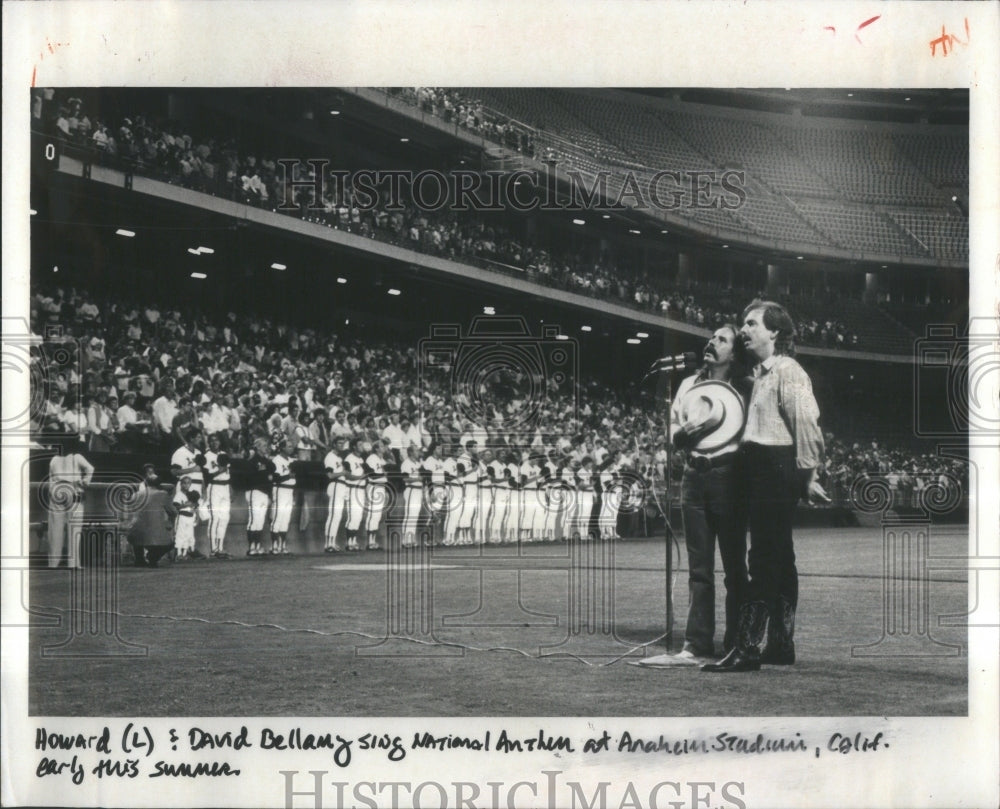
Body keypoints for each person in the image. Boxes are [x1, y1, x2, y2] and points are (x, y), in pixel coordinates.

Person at [704, 301, 827, 673]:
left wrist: (807, 474)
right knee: (782, 557)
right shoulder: (762, 373)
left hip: (774, 468)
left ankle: (748, 648)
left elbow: (806, 424)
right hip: (762, 465)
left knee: (762, 558)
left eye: (752, 323)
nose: (744, 329)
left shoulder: (788, 371)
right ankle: (779, 644)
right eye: (744, 323)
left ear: (774, 332)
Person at [669, 325, 752, 664]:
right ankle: (697, 643)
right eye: (711, 337)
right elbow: (673, 427)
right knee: (699, 568)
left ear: (734, 353)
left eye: (721, 340)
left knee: (735, 567)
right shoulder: (689, 385)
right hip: (694, 475)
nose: (711, 342)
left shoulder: (746, 388)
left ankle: (737, 643)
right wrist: (683, 434)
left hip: (729, 476)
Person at [46, 440, 94, 569]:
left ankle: (53, 564)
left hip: (56, 490)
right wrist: (85, 482)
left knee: (55, 528)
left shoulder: (54, 459)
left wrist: (52, 491)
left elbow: (50, 478)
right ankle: (73, 563)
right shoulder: (77, 457)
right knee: (75, 527)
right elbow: (90, 468)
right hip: (73, 489)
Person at [126, 464, 177, 568]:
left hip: (134, 532)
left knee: (139, 530)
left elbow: (129, 507)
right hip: (153, 533)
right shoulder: (162, 494)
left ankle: (139, 559)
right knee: (170, 543)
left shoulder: (136, 494)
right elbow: (173, 511)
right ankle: (152, 557)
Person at [322, 435, 349, 552]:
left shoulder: (339, 458)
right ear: (334, 444)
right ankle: (328, 543)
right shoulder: (330, 457)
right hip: (335, 485)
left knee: (337, 516)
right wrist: (343, 472)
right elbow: (329, 475)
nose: (342, 445)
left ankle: (332, 542)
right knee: (333, 515)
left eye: (343, 443)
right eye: (339, 443)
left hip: (342, 486)